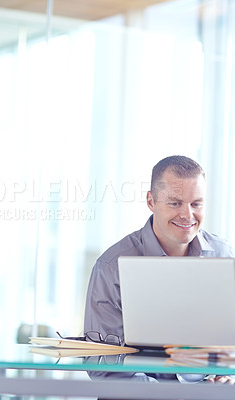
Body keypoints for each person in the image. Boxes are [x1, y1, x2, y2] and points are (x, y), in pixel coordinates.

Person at [84, 155, 235, 384]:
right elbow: (104, 368)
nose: (187, 215)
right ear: (151, 202)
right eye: (175, 203)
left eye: (196, 204)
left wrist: (227, 376)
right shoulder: (111, 267)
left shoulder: (225, 257)